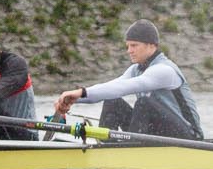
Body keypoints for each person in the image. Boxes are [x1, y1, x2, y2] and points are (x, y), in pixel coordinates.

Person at [54, 20, 202, 138]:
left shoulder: (164, 70)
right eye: (128, 46)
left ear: (151, 46)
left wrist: (81, 92)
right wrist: (73, 100)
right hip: (159, 133)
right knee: (112, 101)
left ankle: (131, 150)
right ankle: (107, 147)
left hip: (188, 136)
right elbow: (112, 88)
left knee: (144, 103)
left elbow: (123, 88)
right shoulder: (135, 69)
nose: (129, 50)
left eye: (134, 45)